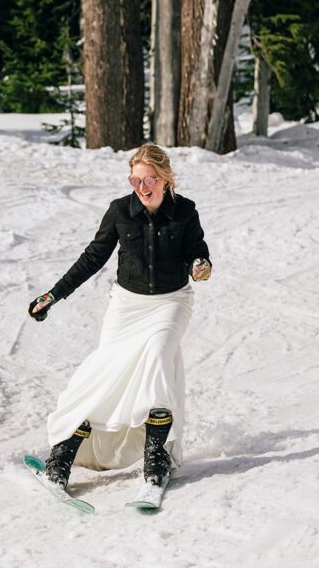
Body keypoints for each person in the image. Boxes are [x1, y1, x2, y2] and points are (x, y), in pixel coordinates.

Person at [27, 143, 211, 498]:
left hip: (171, 303)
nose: (143, 187)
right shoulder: (120, 212)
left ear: (165, 179)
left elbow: (196, 250)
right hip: (127, 305)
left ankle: (155, 461)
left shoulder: (184, 211)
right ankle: (62, 458)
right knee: (103, 372)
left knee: (158, 357)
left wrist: (200, 265)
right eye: (136, 179)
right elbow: (92, 258)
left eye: (150, 179)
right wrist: (52, 295)